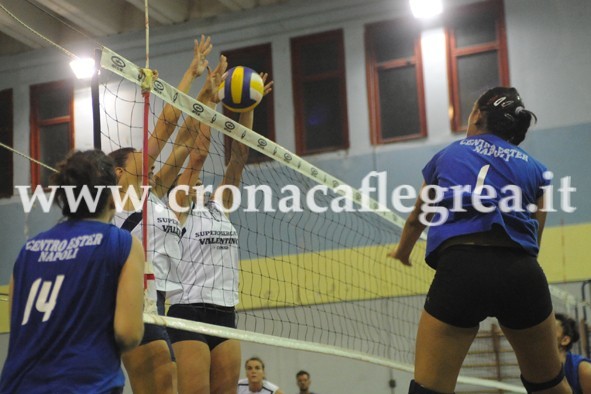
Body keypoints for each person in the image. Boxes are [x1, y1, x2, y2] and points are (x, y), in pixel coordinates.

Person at [387, 87, 571, 394]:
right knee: (549, 385)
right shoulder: (537, 169)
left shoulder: (448, 155)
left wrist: (402, 252)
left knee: (428, 389)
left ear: (476, 115)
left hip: (462, 269)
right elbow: (534, 238)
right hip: (521, 272)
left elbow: (417, 217)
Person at [109, 35, 213, 394]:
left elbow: (184, 140)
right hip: (130, 302)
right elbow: (166, 125)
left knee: (165, 385)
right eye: (138, 154)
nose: (146, 156)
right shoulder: (122, 198)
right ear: (119, 172)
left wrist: (205, 99)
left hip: (159, 304)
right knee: (162, 384)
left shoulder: (153, 195)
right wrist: (189, 74)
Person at [165, 66, 273, 394]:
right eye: (189, 178)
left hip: (226, 311)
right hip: (189, 311)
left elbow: (239, 155)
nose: (196, 179)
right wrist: (209, 102)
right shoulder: (178, 209)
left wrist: (247, 110)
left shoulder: (219, 205)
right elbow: (197, 154)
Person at [0, 150, 145, 393]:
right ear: (111, 197)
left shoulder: (29, 249)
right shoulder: (122, 243)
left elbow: (18, 325)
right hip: (85, 384)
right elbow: (128, 335)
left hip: (18, 385)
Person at [555, 313, 591, 393]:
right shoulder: (538, 366)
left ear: (565, 340)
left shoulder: (584, 369)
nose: (544, 334)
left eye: (550, 330)